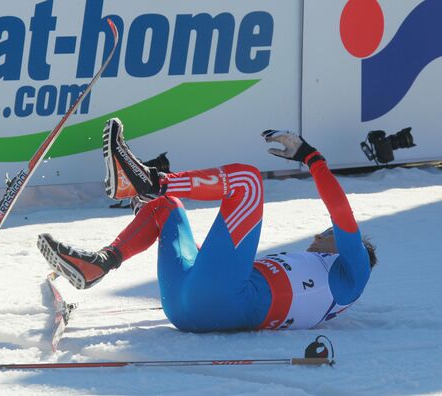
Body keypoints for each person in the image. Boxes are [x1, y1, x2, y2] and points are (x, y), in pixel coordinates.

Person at [37, 118, 377, 331]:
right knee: (166, 208)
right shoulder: (314, 270)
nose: (319, 234)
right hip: (185, 305)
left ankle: (150, 181)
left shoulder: (353, 272)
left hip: (221, 303)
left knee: (247, 182)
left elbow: (341, 213)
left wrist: (311, 158)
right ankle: (100, 263)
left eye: (329, 235)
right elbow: (212, 269)